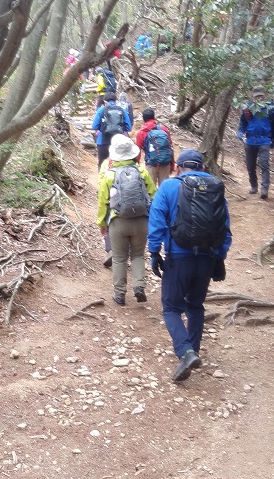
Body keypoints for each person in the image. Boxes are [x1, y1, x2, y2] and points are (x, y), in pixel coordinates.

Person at [147, 149, 231, 382]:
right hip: (207, 258)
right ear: (202, 168)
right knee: (195, 305)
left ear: (177, 168)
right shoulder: (216, 188)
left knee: (171, 307)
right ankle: (192, 351)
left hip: (178, 257)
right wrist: (220, 256)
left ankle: (186, 352)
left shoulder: (169, 187)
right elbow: (225, 225)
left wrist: (154, 251)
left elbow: (156, 220)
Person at [98, 135, 156, 306]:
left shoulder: (109, 175)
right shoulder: (142, 172)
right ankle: (139, 286)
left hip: (118, 221)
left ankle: (120, 294)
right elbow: (153, 196)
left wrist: (102, 223)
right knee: (138, 255)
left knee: (118, 258)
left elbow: (102, 202)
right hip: (141, 221)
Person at [237, 85, 274, 199]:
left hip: (264, 140)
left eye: (260, 96)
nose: (258, 98)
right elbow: (243, 123)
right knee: (250, 165)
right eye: (256, 96)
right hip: (250, 140)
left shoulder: (272, 108)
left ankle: (264, 189)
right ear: (253, 96)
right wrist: (240, 133)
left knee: (264, 164)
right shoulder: (247, 107)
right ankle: (253, 186)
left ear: (264, 95)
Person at [135, 108, 175, 186]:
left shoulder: (141, 132)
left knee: (151, 190)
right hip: (165, 163)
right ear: (154, 117)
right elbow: (170, 147)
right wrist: (171, 164)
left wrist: (137, 166)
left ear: (143, 119)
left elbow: (137, 151)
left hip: (151, 164)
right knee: (164, 189)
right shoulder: (163, 129)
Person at [91, 93, 132, 169]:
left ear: (105, 101)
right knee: (118, 164)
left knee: (102, 164)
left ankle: (102, 180)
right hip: (119, 142)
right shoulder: (122, 110)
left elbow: (94, 126)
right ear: (116, 101)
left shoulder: (101, 110)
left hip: (103, 141)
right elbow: (128, 127)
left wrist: (103, 128)